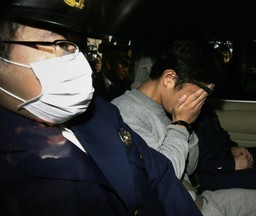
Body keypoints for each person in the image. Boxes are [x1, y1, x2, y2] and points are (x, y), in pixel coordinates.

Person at [0, 1, 203, 215]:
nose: (78, 62)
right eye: (56, 44)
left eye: (78, 46)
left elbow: (161, 176)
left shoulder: (101, 113)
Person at [112, 36, 256, 215]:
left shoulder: (166, 107)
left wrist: (187, 126)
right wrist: (181, 125)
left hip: (199, 199)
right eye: (197, 95)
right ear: (169, 78)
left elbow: (190, 166)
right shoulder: (125, 113)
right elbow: (161, 180)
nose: (200, 103)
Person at [191, 100, 256, 193]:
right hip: (208, 176)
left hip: (221, 158)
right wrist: (233, 165)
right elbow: (197, 161)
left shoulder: (204, 105)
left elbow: (219, 134)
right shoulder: (186, 111)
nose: (212, 86)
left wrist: (232, 148)